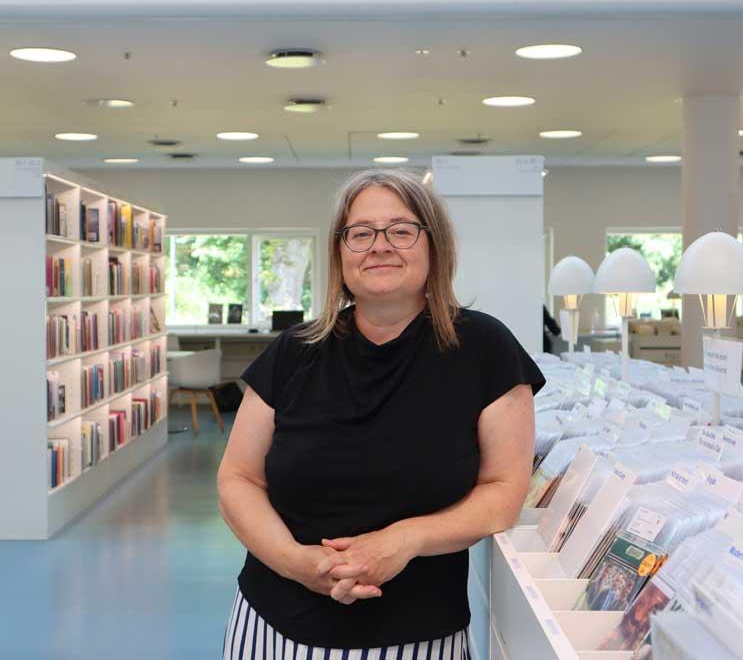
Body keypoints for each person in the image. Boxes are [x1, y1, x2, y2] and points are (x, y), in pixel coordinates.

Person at [217, 169, 545, 659]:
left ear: (434, 245)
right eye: (361, 233)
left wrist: (404, 540)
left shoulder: (486, 349)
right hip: (271, 627)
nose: (380, 246)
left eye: (401, 230)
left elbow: (503, 492)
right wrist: (295, 562)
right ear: (340, 252)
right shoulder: (292, 353)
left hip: (418, 636)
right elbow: (238, 478)